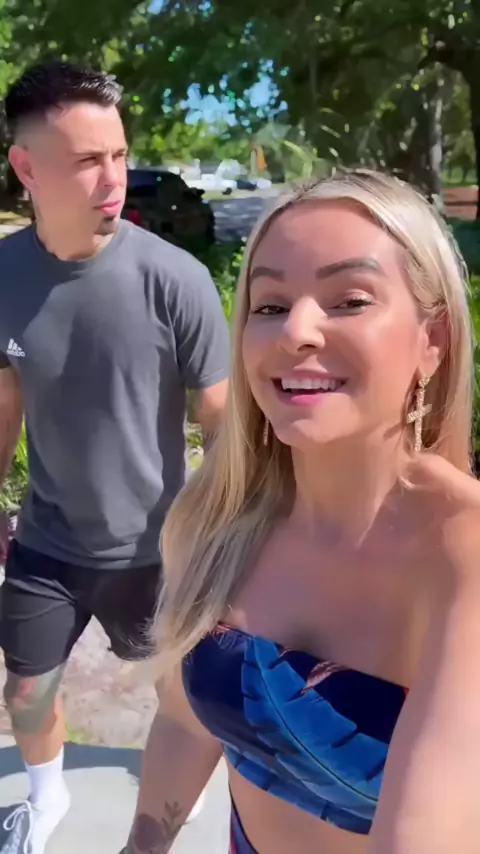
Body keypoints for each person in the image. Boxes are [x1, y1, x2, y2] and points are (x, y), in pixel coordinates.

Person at [125, 169, 480, 854]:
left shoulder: (461, 552)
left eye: (349, 300)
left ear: (431, 340)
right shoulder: (216, 519)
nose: (297, 330)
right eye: (269, 305)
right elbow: (183, 723)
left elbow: (422, 834)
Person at [0, 60, 229, 853]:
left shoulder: (176, 280)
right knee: (26, 692)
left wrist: (225, 541)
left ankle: (177, 790)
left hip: (158, 548)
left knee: (183, 694)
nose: (113, 178)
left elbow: (222, 423)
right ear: (27, 168)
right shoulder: (3, 278)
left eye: (120, 155)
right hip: (48, 543)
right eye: (87, 160)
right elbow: (4, 406)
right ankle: (46, 799)